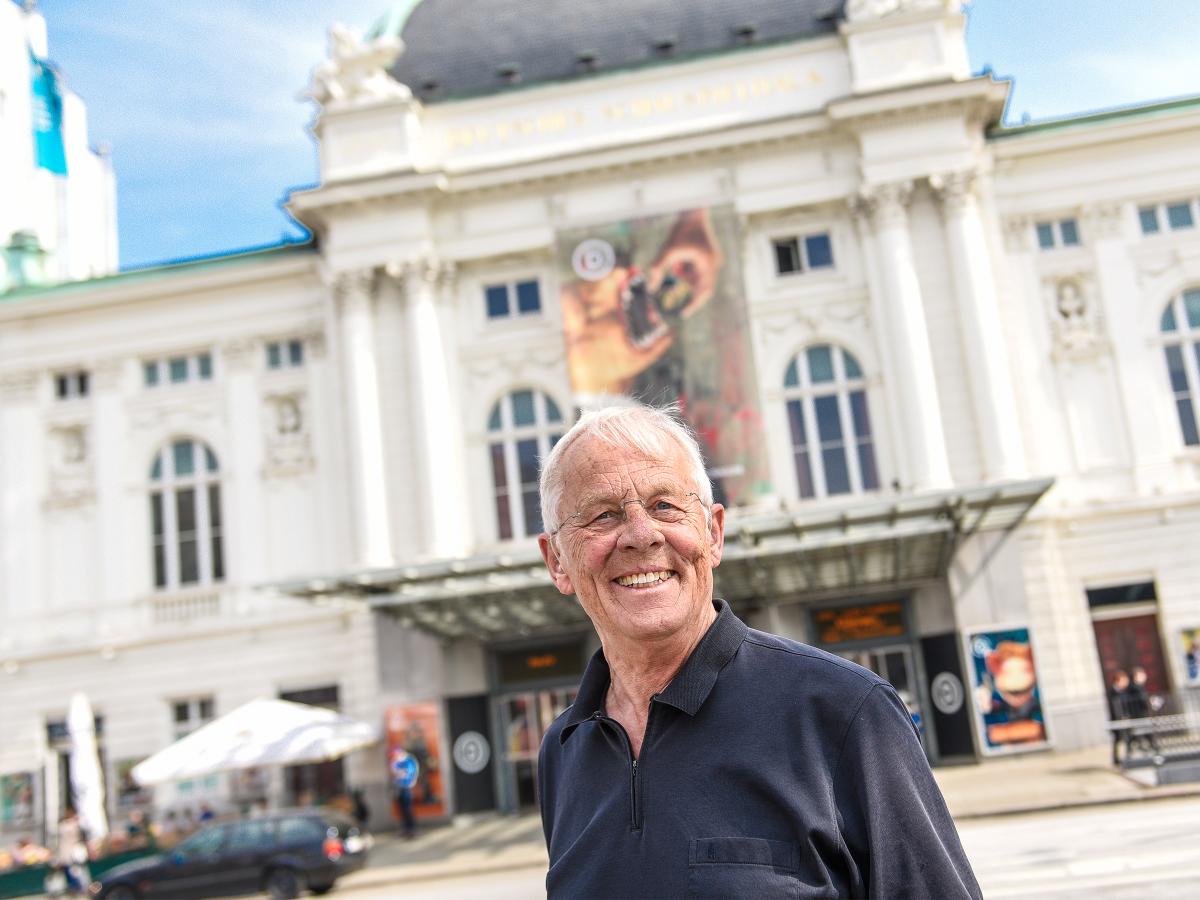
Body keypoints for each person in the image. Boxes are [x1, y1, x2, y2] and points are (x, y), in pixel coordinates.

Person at [535, 404, 981, 899]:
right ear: (557, 562)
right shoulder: (562, 750)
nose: (642, 535)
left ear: (713, 533)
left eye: (664, 506)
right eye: (602, 515)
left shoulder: (846, 711)